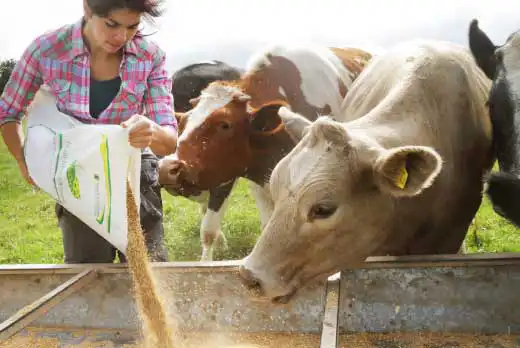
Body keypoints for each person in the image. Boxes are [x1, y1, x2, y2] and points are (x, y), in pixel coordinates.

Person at [0, 0, 178, 264]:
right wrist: (24, 161)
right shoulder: (47, 49)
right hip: (77, 175)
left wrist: (150, 129)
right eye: (111, 24)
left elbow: (169, 141)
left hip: (134, 173)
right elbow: (9, 111)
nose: (121, 37)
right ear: (87, 9)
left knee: (148, 266)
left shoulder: (150, 56)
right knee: (87, 271)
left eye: (132, 26)